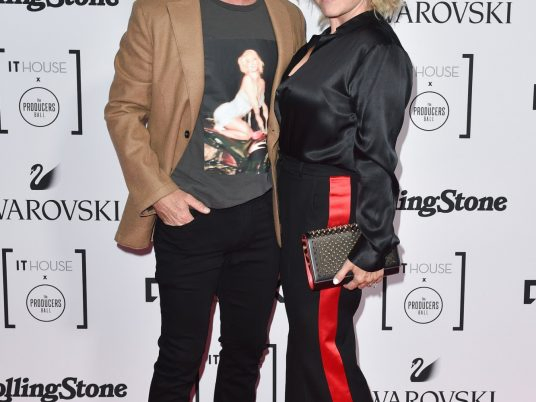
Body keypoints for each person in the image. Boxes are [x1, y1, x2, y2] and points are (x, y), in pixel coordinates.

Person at [104, 0, 305, 400]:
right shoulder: (159, 11)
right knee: (180, 358)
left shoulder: (287, 15)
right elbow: (123, 110)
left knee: (245, 356)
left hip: (263, 218)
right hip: (189, 217)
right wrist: (160, 192)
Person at [275, 0, 412, 401]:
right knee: (306, 343)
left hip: (333, 205)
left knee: (324, 347)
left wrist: (374, 245)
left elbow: (377, 157)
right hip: (297, 198)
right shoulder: (323, 41)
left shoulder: (379, 49)